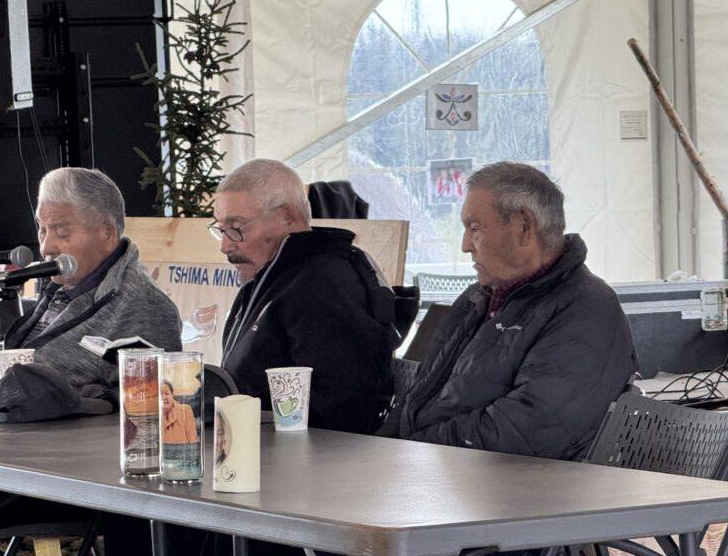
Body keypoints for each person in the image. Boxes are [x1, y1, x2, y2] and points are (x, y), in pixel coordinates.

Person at [382, 161, 638, 461]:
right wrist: (378, 456)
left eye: (474, 228)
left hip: (524, 495)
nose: (465, 245)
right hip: (446, 476)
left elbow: (526, 431)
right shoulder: (476, 299)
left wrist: (414, 454)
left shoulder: (588, 309)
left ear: (523, 226)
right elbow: (419, 396)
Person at [212, 158, 410, 435]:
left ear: (288, 217)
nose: (225, 245)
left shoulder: (324, 285)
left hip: (304, 463)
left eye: (237, 227)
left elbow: (343, 410)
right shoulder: (275, 276)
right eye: (221, 228)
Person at [4, 167, 183, 400]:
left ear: (107, 233)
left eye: (62, 233)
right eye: (42, 230)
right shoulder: (63, 283)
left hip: (70, 436)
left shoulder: (143, 304)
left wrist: (70, 396)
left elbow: (152, 403)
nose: (46, 248)